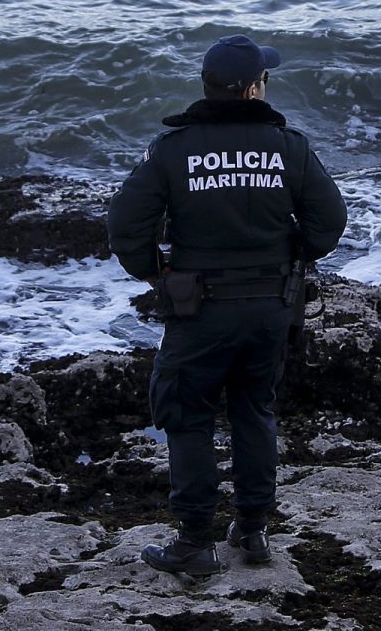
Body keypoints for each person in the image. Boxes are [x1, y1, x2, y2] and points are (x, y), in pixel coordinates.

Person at [106, 33, 347, 576]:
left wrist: (157, 273)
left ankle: (195, 542)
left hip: (200, 310)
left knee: (188, 417)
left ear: (209, 87)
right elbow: (330, 221)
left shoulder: (172, 150)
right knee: (254, 410)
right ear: (256, 86)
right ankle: (254, 531)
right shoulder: (290, 146)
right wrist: (295, 257)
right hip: (270, 306)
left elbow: (125, 226)